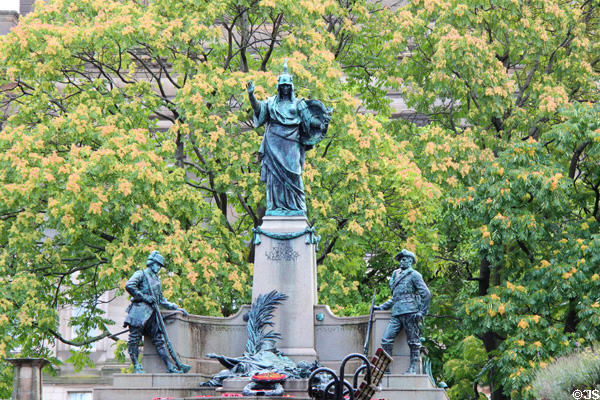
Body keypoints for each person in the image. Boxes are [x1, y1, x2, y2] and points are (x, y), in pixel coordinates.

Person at [247, 60, 330, 216]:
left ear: (291, 87)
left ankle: (297, 207)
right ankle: (275, 207)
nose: (285, 88)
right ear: (279, 87)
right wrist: (252, 96)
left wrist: (322, 122)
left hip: (292, 143)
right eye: (282, 85)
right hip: (273, 142)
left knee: (294, 173)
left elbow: (310, 121)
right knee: (275, 178)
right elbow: (259, 110)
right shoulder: (271, 102)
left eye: (287, 86)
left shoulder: (299, 104)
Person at [124, 250, 188, 373]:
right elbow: (129, 285)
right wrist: (144, 297)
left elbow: (161, 299)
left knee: (159, 341)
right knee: (134, 340)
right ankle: (136, 366)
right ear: (151, 263)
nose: (159, 268)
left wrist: (175, 307)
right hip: (139, 312)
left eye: (160, 266)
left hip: (153, 315)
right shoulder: (141, 274)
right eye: (157, 264)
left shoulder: (156, 280)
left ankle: (170, 366)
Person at [374, 249, 430, 374]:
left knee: (413, 342)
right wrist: (382, 307)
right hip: (397, 313)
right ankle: (386, 368)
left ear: (410, 261)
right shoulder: (396, 275)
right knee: (386, 340)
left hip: (410, 312)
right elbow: (396, 297)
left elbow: (426, 293)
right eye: (400, 259)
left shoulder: (414, 275)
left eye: (404, 259)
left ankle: (413, 369)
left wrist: (422, 312)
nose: (401, 261)